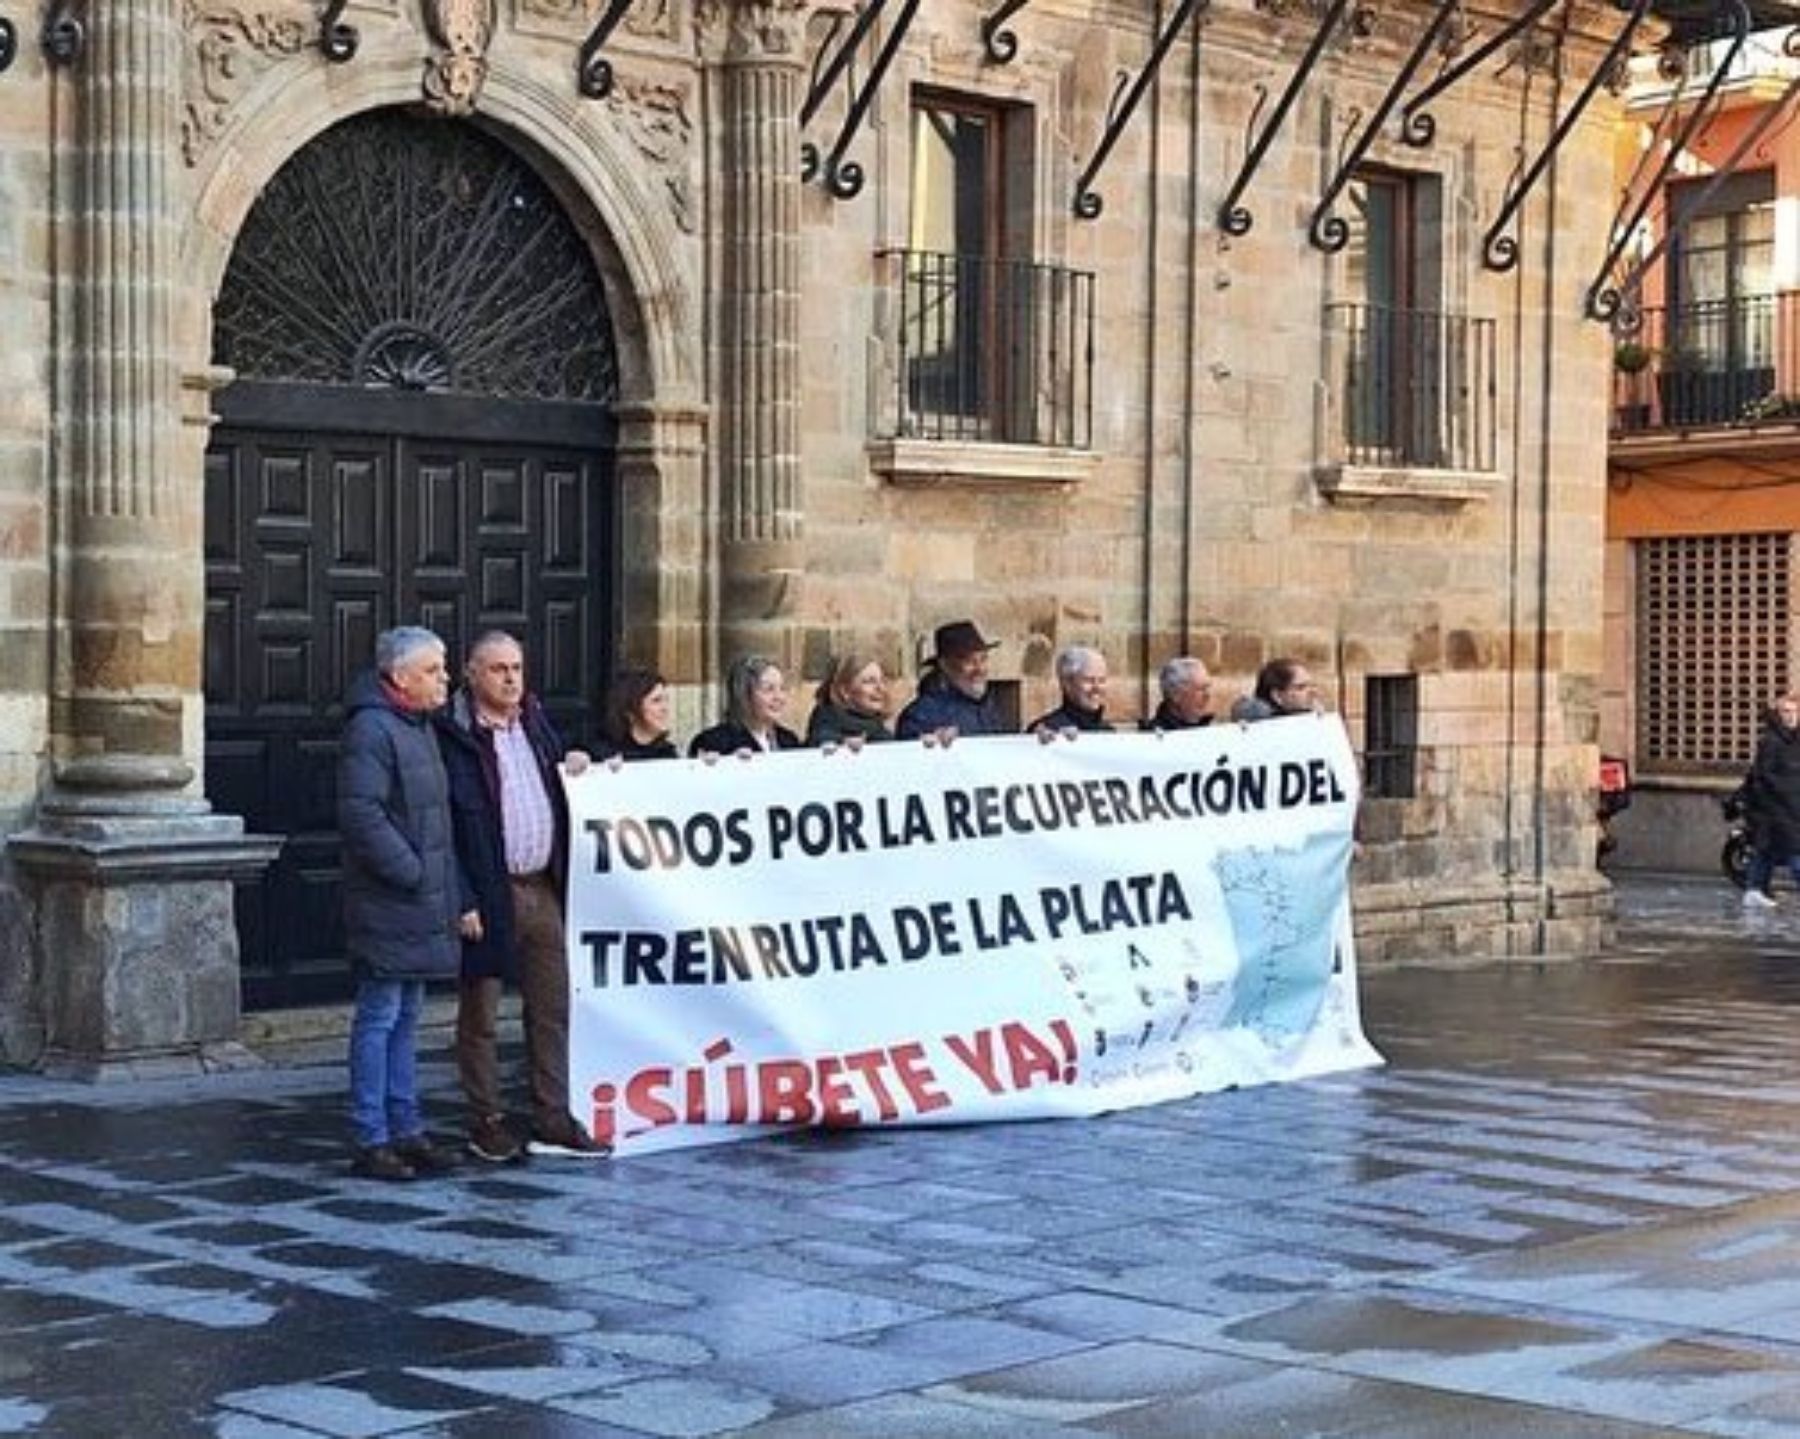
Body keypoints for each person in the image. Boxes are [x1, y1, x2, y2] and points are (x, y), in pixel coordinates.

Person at [437, 631, 607, 1161]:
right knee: (482, 1014)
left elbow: (560, 787)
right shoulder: (454, 736)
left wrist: (577, 767)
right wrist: (462, 897)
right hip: (490, 891)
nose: (511, 679)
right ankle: (485, 1118)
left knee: (552, 1006)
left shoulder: (535, 726)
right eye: (498, 669)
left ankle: (551, 1112)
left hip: (541, 887)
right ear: (471, 673)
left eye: (516, 668)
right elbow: (442, 826)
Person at [338, 626, 463, 1182]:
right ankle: (371, 1135)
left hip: (420, 900)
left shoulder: (421, 727)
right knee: (381, 1014)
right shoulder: (373, 729)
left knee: (408, 1015)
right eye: (434, 670)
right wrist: (412, 872)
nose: (446, 679)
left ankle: (406, 1126)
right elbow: (363, 813)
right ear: (401, 677)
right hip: (391, 899)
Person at [895, 620, 1005, 740]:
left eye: (983, 659)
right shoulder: (921, 716)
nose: (979, 669)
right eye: (969, 661)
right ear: (945, 665)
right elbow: (909, 751)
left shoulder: (988, 708)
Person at [1743, 693, 1800, 909]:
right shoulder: (1771, 741)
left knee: (1767, 851)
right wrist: (1786, 793)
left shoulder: (1795, 740)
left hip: (1791, 806)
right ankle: (1754, 889)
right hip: (1777, 808)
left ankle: (1754, 889)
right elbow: (1764, 774)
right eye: (1785, 711)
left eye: (1794, 711)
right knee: (1796, 853)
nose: (1790, 716)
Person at [689, 654, 802, 757]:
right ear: (743, 694)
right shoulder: (713, 742)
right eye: (768, 689)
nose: (779, 697)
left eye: (782, 689)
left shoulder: (789, 741)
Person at [806, 653, 893, 746]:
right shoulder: (824, 731)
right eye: (869, 681)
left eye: (883, 681)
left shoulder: (882, 734)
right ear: (845, 691)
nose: (880, 688)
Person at [596, 667, 678, 761]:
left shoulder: (668, 754)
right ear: (630, 710)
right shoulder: (603, 754)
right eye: (656, 701)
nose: (665, 708)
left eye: (666, 700)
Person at [1029, 646, 1113, 735]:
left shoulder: (1108, 732)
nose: (1097, 688)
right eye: (1088, 680)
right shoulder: (1048, 730)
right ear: (1067, 684)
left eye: (1102, 680)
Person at [1231, 658, 1320, 722]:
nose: (1313, 692)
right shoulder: (1262, 726)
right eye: (1301, 687)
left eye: (1312, 686)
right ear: (1277, 696)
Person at [1142, 656, 1215, 731]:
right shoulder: (1151, 737)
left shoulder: (1213, 731)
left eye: (1207, 687)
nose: (1207, 695)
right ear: (1176, 695)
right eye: (1201, 689)